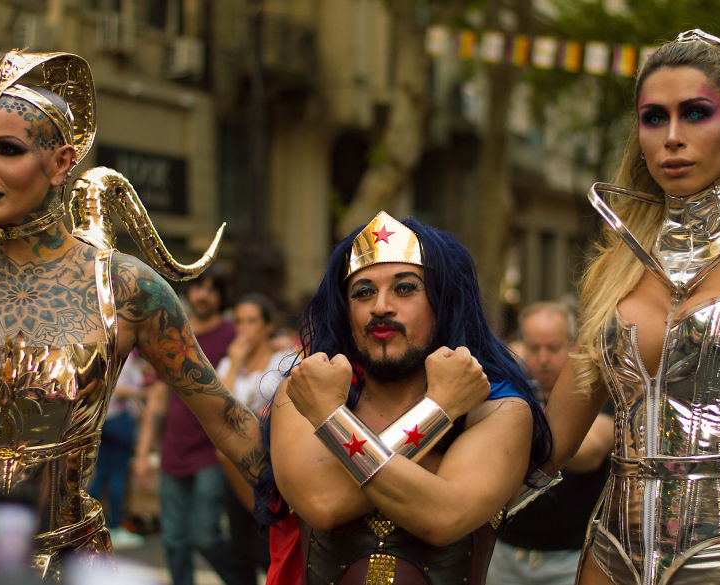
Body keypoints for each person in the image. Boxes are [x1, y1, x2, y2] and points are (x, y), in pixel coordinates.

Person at [0, 49, 265, 581]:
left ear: (62, 162)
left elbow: (226, 420)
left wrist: (325, 508)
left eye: (7, 149)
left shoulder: (126, 288)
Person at [542, 29, 720, 585]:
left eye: (695, 113)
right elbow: (552, 441)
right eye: (654, 118)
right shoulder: (613, 269)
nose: (673, 137)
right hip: (613, 554)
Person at [263, 210, 553, 585]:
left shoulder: (500, 409)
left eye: (405, 288)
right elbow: (324, 503)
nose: (381, 306)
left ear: (442, 303)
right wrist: (439, 412)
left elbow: (443, 517)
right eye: (363, 291)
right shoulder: (305, 394)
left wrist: (328, 419)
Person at [487, 301, 613, 585]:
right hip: (505, 553)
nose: (542, 359)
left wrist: (522, 419)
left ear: (572, 345)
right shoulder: (507, 389)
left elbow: (590, 451)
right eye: (533, 348)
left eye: (553, 348)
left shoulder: (595, 392)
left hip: (570, 558)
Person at [133, 267, 242, 585]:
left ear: (221, 297)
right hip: (173, 451)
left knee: (205, 536)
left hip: (213, 450)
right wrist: (142, 454)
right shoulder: (173, 331)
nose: (203, 295)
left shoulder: (231, 335)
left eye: (211, 289)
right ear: (188, 293)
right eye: (198, 288)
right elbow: (157, 397)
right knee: (174, 540)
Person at [216, 293, 293, 585]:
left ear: (267, 325)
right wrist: (235, 363)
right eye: (239, 321)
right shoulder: (227, 364)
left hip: (271, 465)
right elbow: (219, 410)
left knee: (268, 546)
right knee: (240, 550)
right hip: (235, 466)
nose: (244, 328)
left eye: (251, 321)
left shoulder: (281, 359)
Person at [89, 351, 152, 550]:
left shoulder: (107, 358)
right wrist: (143, 394)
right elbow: (118, 390)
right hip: (118, 421)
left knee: (101, 475)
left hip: (104, 420)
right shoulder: (125, 361)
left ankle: (91, 525)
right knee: (117, 475)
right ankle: (115, 525)